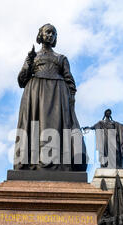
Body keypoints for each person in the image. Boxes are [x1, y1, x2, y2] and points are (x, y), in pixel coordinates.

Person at [14, 23, 87, 171]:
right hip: (35, 94)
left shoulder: (61, 58)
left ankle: (60, 163)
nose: (50, 35)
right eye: (48, 32)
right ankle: (32, 162)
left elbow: (70, 81)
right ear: (40, 34)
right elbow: (21, 81)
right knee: (35, 126)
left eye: (53, 33)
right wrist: (28, 62)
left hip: (57, 94)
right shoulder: (33, 57)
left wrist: (70, 105)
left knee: (57, 127)